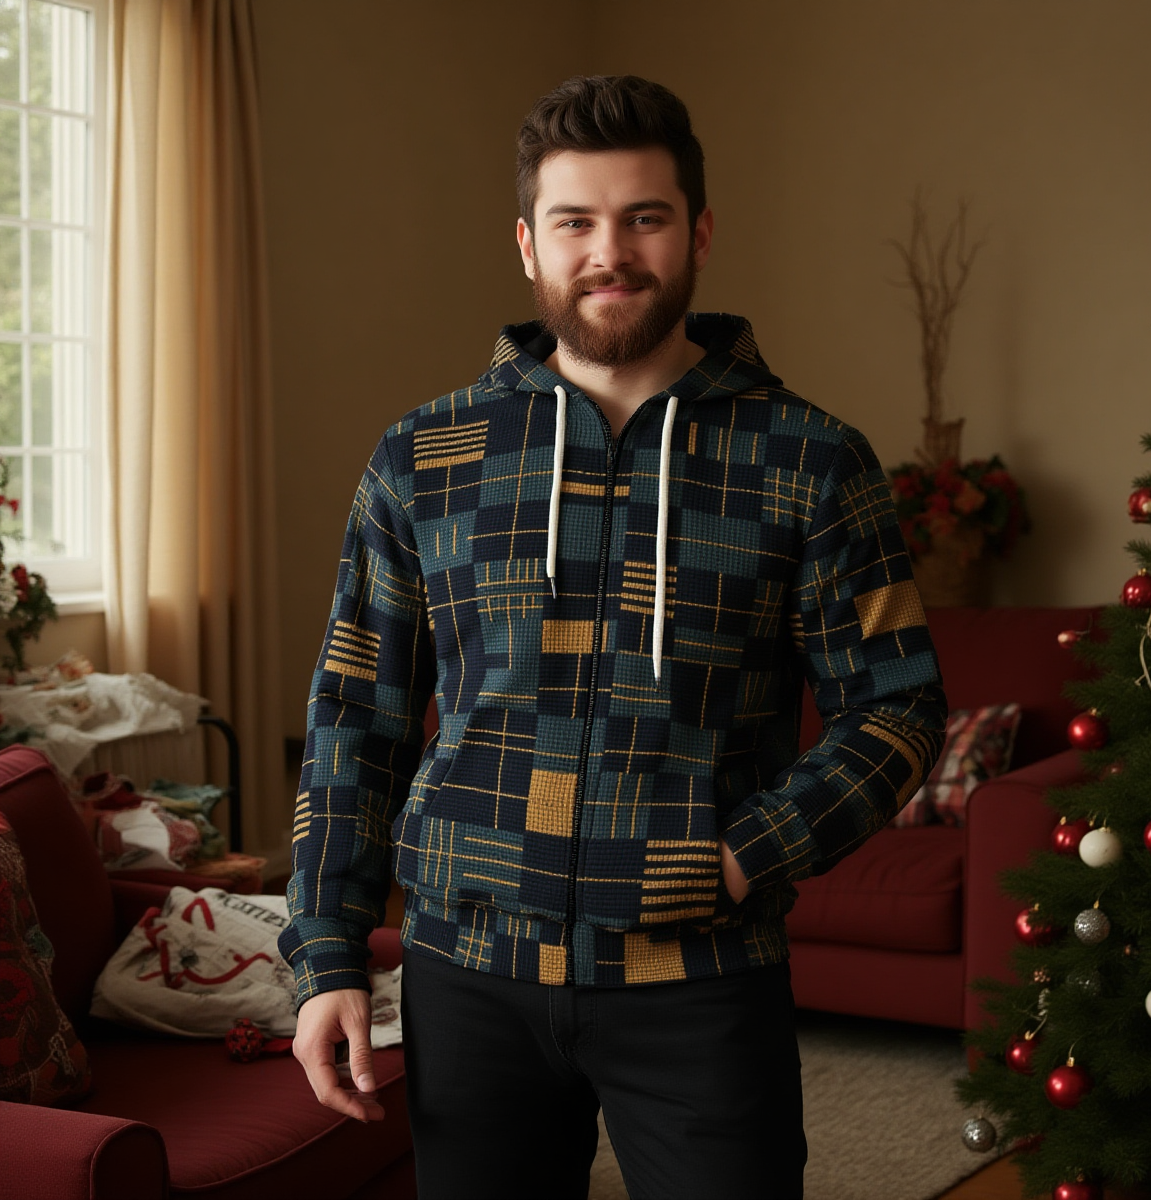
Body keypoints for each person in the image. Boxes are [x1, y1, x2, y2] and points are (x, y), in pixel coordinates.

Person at [279, 74, 946, 1200]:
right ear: (529, 245)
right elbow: (358, 713)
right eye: (576, 222)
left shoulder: (812, 460)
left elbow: (898, 710)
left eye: (644, 217)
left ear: (699, 231)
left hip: (700, 974)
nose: (611, 252)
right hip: (466, 968)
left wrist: (742, 854)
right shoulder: (422, 459)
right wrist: (328, 957)